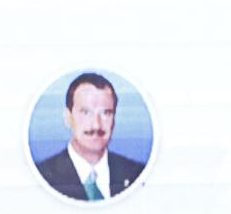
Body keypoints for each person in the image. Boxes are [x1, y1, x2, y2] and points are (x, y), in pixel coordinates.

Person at [35, 72, 147, 201]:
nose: (96, 125)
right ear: (68, 118)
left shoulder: (137, 175)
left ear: (114, 120)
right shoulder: (43, 176)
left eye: (106, 113)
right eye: (86, 112)